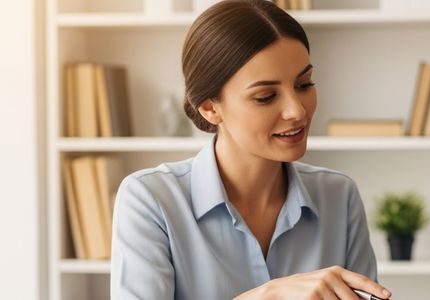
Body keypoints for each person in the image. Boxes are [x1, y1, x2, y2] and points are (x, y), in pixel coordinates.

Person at [110, 1, 392, 299]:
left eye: (304, 84)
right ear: (209, 107)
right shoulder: (151, 200)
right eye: (265, 96)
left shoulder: (339, 196)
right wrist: (268, 295)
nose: (297, 111)